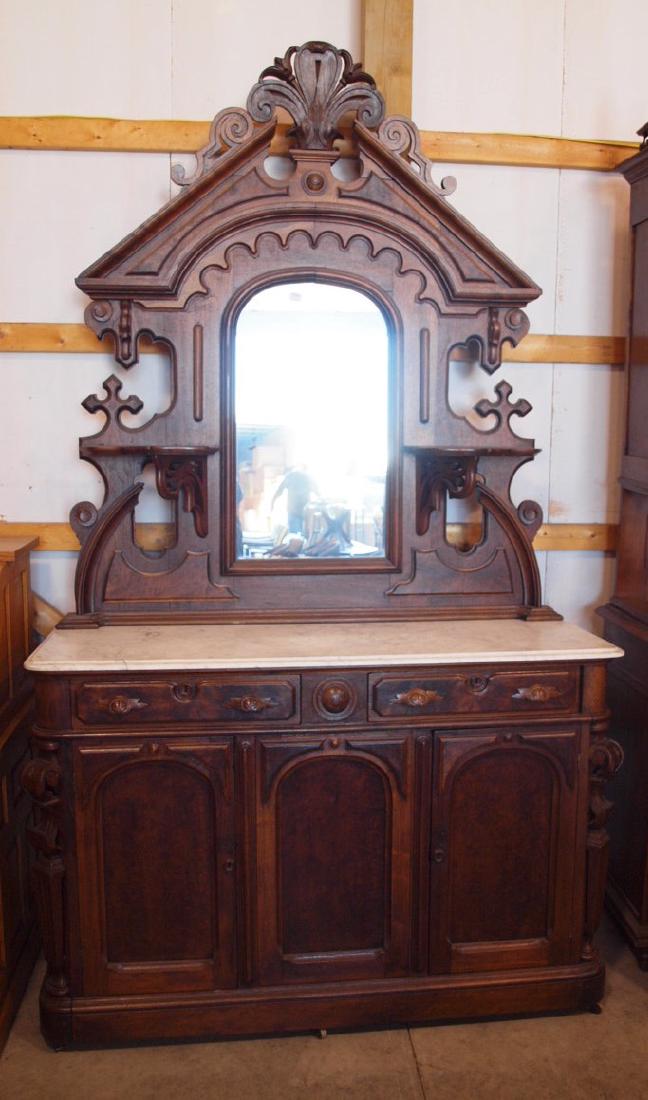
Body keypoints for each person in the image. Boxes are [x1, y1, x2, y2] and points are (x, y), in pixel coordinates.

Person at [271, 466, 318, 534]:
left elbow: (279, 491)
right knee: (305, 537)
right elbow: (318, 492)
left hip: (294, 511)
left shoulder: (290, 476)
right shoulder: (308, 477)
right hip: (305, 511)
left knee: (295, 536)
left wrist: (272, 502)